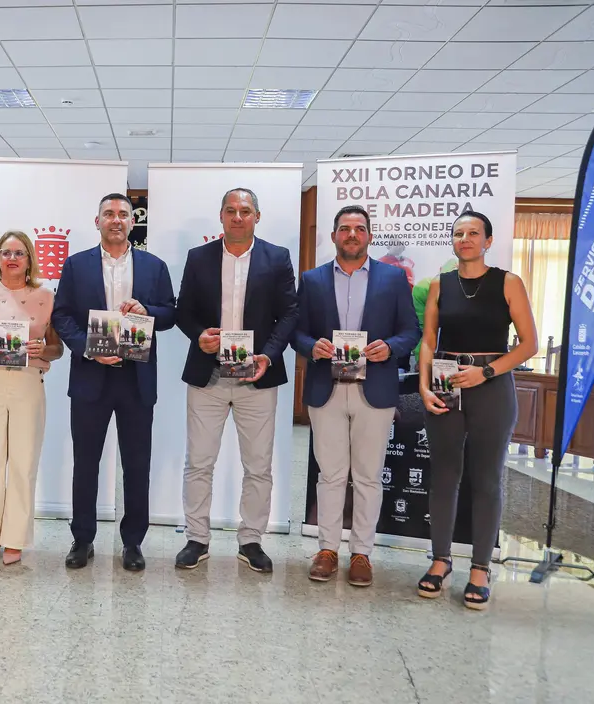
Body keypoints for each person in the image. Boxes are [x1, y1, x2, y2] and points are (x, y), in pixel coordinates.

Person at [293, 205, 421, 586]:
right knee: (330, 476)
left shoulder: (394, 279)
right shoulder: (312, 280)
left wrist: (392, 348)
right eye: (344, 228)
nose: (352, 234)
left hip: (375, 390)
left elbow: (410, 331)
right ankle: (327, 549)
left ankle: (362, 553)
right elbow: (296, 332)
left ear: (369, 235)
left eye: (359, 228)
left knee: (367, 477)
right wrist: (310, 346)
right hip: (326, 389)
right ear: (334, 236)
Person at [173, 188, 298, 573]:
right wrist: (199, 336)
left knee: (258, 465)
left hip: (257, 377)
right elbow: (183, 311)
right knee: (199, 462)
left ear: (257, 217)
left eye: (245, 211)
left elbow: (290, 315)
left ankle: (251, 540)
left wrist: (268, 355)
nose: (238, 217)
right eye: (231, 210)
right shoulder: (199, 258)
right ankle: (197, 538)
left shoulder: (277, 258)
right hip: (208, 375)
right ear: (221, 216)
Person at [418, 210, 537, 610]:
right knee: (444, 476)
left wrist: (485, 372)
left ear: (487, 240)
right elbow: (429, 341)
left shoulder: (508, 282)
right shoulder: (440, 285)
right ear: (452, 241)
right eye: (458, 233)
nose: (465, 238)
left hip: (491, 386)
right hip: (446, 382)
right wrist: (423, 383)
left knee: (486, 479)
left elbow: (528, 344)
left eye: (473, 233)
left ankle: (481, 568)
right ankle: (440, 560)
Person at [51, 192, 176, 571]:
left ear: (132, 222)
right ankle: (82, 539)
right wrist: (88, 348)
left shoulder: (154, 266)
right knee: (85, 464)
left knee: (137, 465)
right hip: (92, 377)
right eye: (109, 214)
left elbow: (170, 313)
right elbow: (62, 317)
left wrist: (147, 310)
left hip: (137, 380)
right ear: (98, 221)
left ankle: (133, 543)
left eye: (123, 214)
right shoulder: (76, 265)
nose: (116, 220)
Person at [0, 230, 63, 565]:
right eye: (6, 252)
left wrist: (41, 348)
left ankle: (15, 538)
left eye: (19, 253)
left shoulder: (45, 295)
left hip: (28, 382)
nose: (12, 258)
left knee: (23, 463)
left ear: (29, 259)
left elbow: (57, 348)